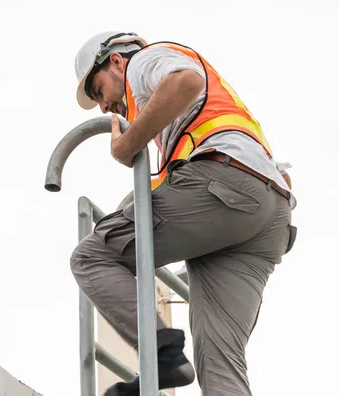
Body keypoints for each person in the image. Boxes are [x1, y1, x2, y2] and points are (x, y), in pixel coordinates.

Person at [70, 31, 297, 396]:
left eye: (98, 91)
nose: (103, 107)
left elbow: (185, 81)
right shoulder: (184, 126)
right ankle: (166, 359)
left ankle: (164, 355)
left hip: (225, 187)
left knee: (91, 255)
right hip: (265, 214)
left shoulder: (142, 63)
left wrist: (126, 146)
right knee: (220, 363)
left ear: (115, 61)